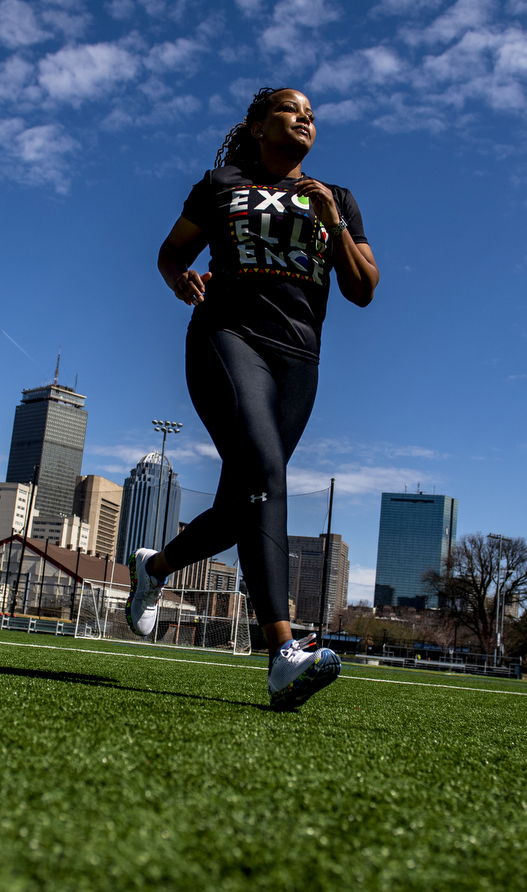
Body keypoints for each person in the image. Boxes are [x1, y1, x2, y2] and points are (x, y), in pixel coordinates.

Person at [124, 87, 379, 710]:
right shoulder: (221, 185)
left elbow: (364, 288)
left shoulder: (335, 197)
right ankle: (281, 656)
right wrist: (179, 279)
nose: (306, 118)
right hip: (227, 336)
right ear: (261, 124)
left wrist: (335, 224)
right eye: (292, 110)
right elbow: (170, 252)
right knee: (267, 475)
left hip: (299, 360)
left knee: (247, 503)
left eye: (313, 114)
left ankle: (153, 569)